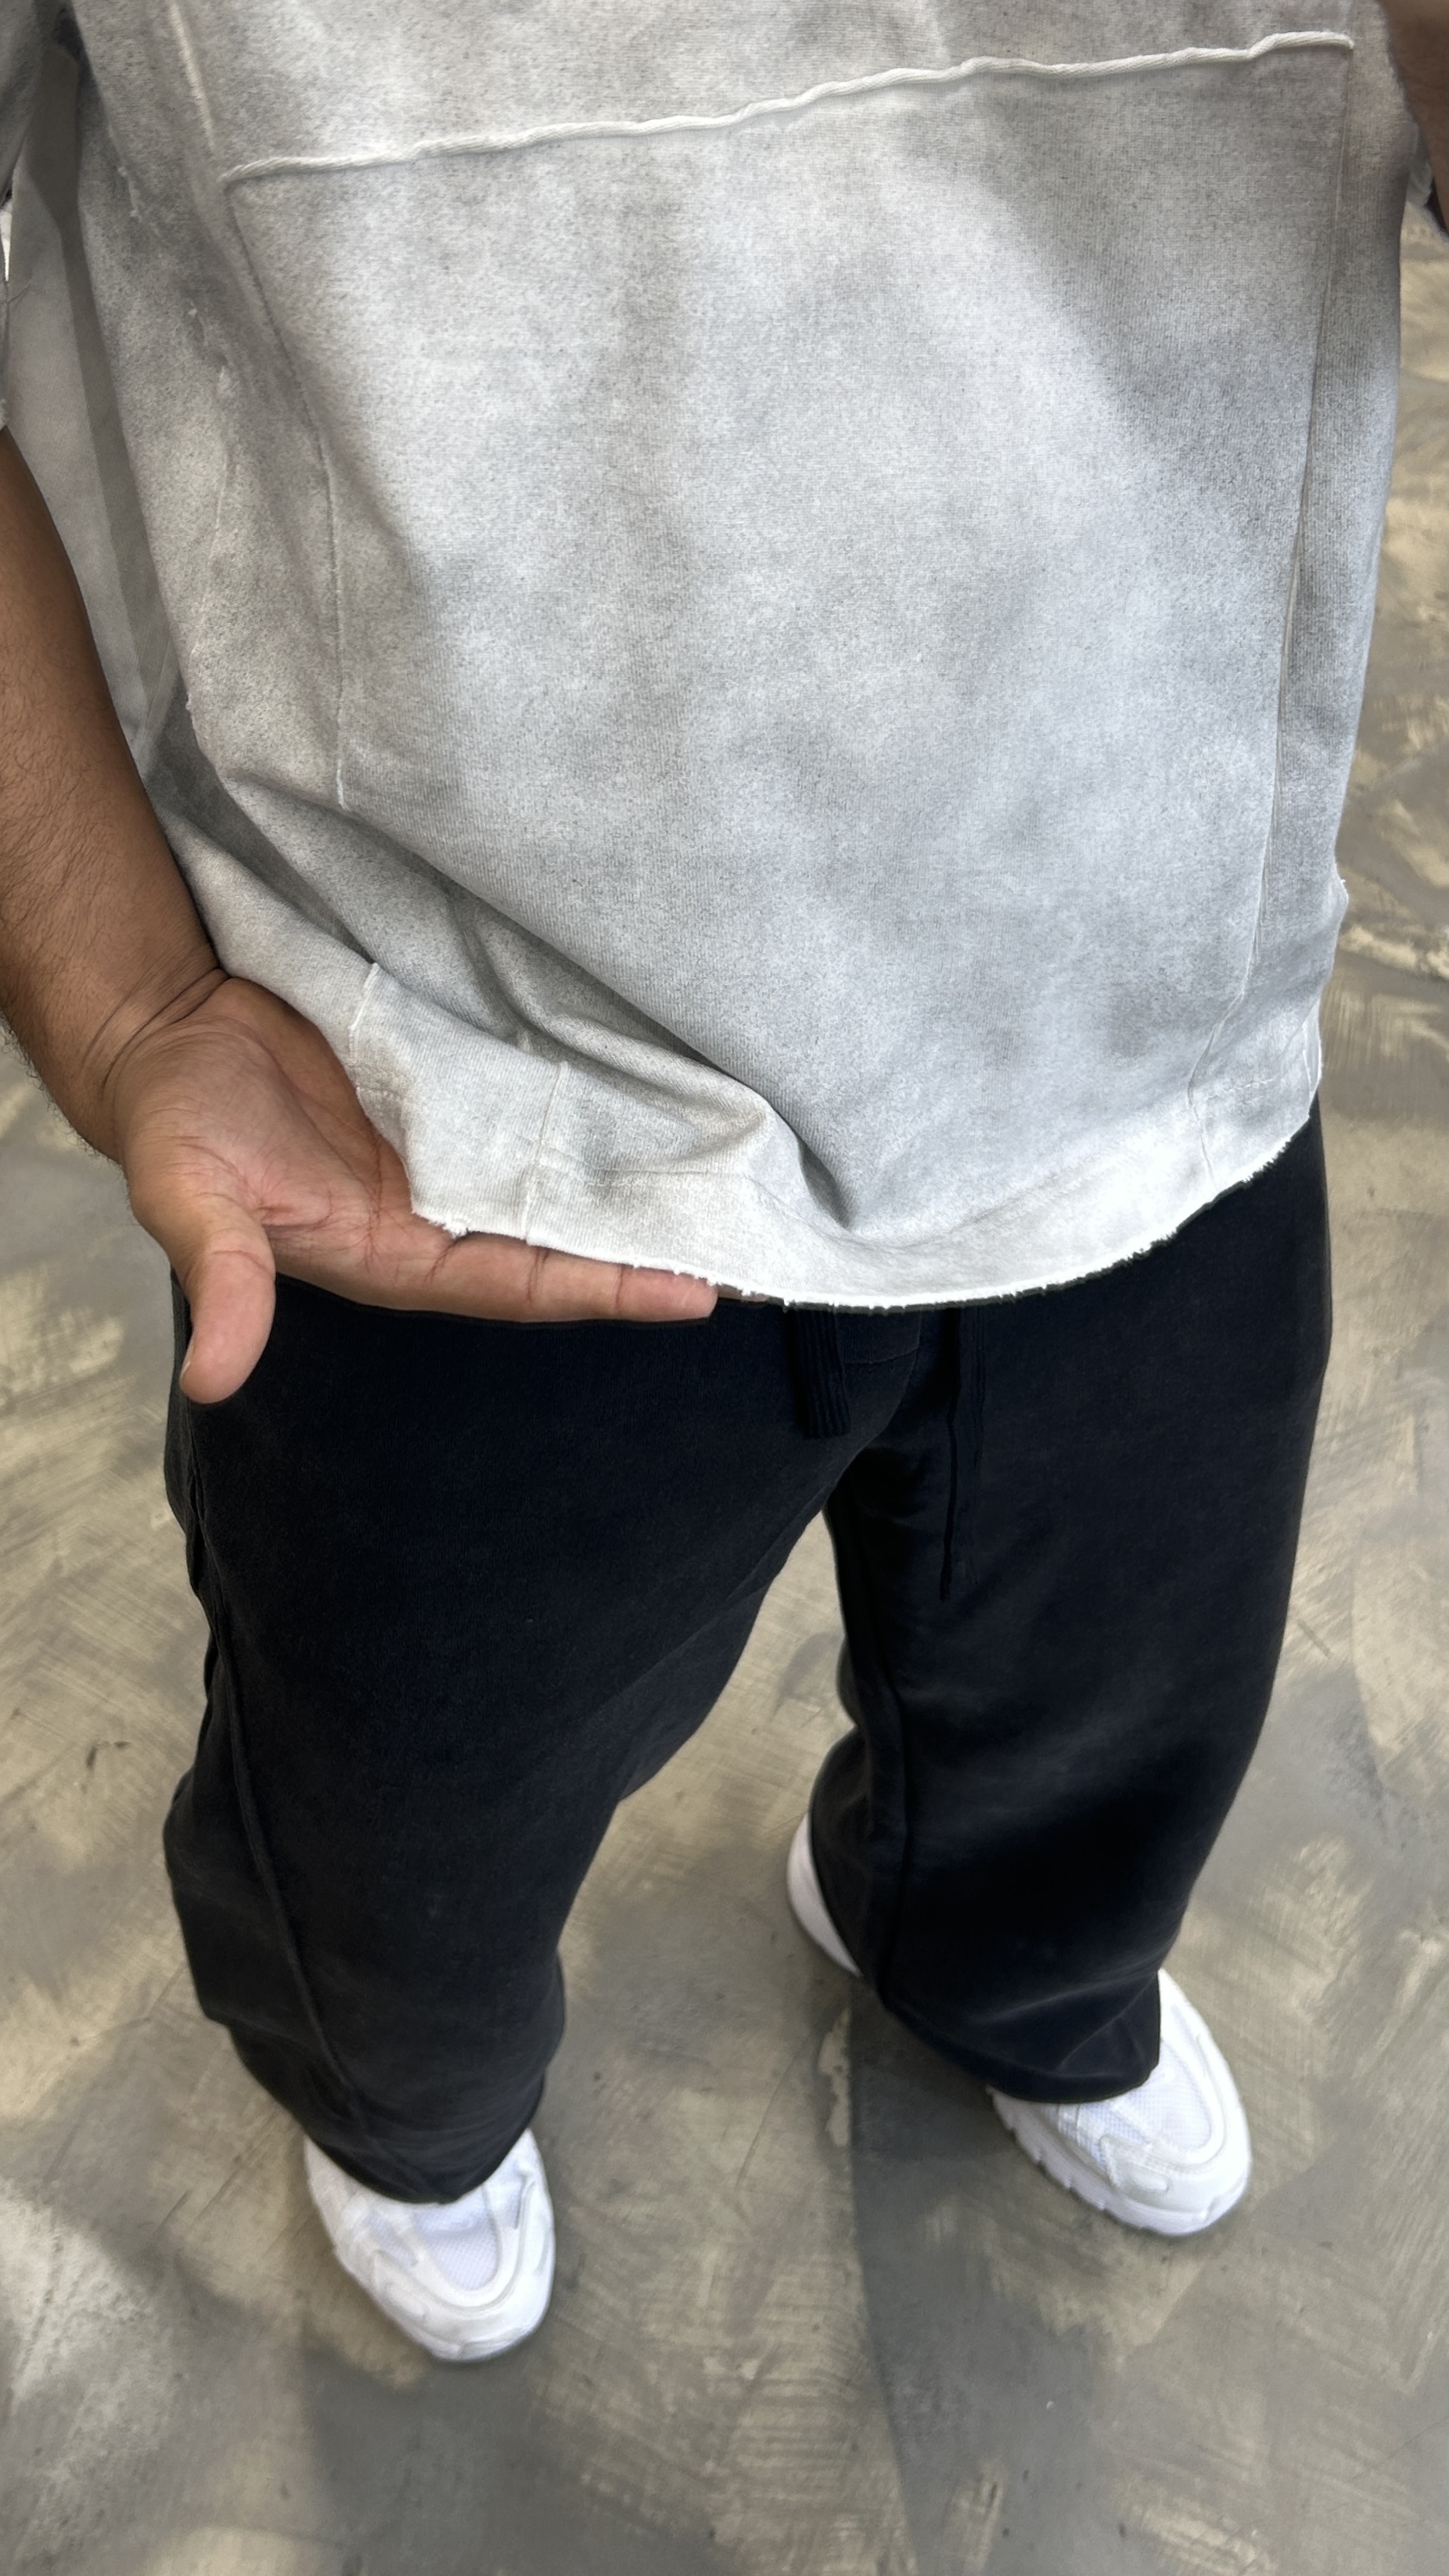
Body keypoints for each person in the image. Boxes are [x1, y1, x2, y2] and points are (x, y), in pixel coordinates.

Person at [1, 0, 1444, 2365]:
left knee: (1110, 1723)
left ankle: (993, 1966)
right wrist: (126, 991)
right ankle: (403, 2101)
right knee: (396, 1829)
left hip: (1147, 970)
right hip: (451, 1096)